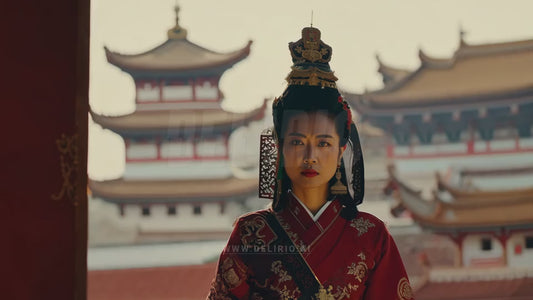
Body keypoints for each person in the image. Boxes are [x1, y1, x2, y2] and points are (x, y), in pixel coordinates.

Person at [207, 26, 413, 300]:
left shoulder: (372, 236)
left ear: (341, 150)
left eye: (324, 143)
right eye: (296, 141)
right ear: (279, 147)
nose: (310, 155)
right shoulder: (251, 235)